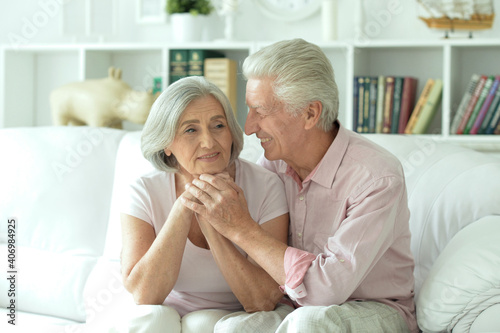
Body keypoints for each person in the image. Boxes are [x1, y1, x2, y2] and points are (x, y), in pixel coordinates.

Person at [181, 39, 418, 332]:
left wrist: (241, 228)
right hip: (294, 305)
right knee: (233, 328)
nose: (249, 126)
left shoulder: (376, 177)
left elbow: (326, 290)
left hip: (375, 307)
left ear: (310, 114)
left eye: (261, 111)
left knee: (309, 324)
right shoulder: (274, 164)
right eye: (249, 110)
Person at [118, 76, 289, 332]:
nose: (209, 142)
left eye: (218, 125)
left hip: (238, 314)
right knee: (153, 320)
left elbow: (261, 299)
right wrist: (183, 208)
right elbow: (144, 296)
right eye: (191, 130)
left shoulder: (267, 186)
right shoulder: (143, 191)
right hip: (167, 312)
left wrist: (213, 220)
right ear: (167, 143)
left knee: (204, 325)